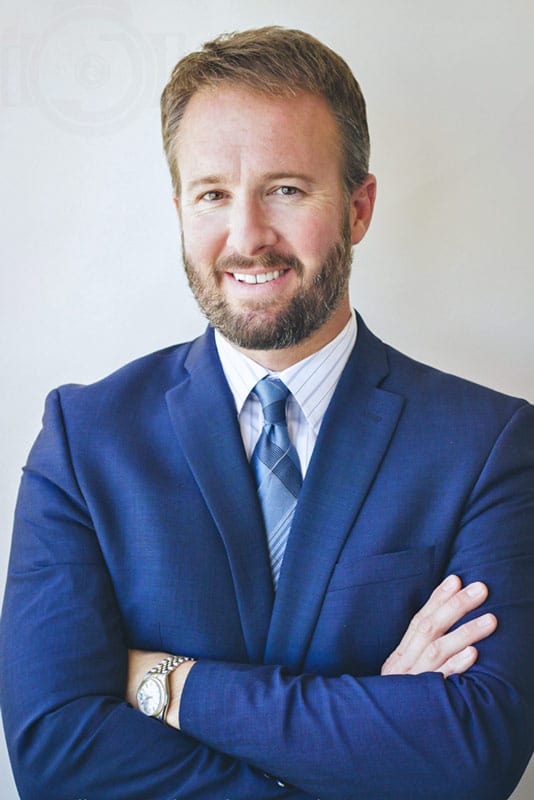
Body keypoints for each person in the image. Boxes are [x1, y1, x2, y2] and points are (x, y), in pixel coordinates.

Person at [1, 25, 533, 800]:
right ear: (179, 206)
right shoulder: (85, 441)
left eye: (286, 188)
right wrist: (374, 735)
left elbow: (472, 752)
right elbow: (54, 753)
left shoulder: (489, 443)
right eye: (213, 193)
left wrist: (167, 684)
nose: (247, 237)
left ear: (358, 208)